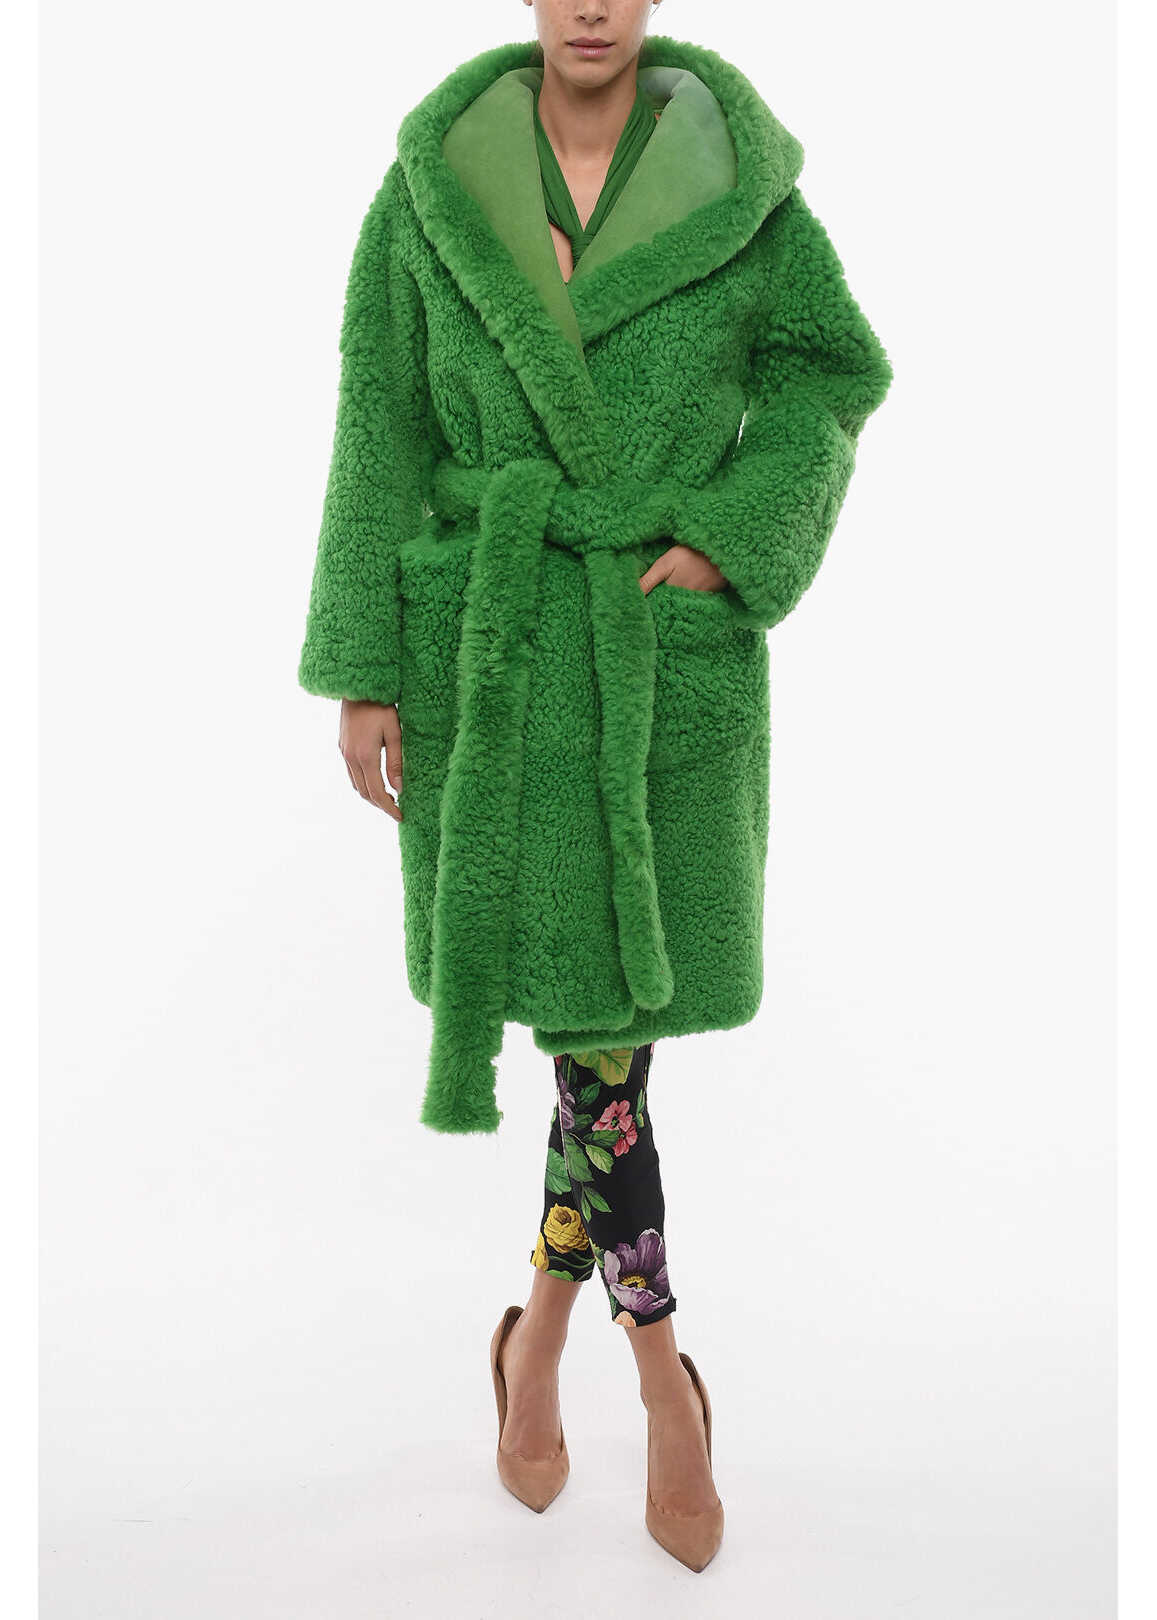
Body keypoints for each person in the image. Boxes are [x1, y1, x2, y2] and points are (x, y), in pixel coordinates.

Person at [297, 0, 892, 1573]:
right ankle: (655, 1377)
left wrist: (733, 539)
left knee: (599, 1048)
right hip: (487, 649)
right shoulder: (430, 188)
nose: (588, 5)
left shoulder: (743, 185)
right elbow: (379, 419)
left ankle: (558, 1346)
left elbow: (829, 373)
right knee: (598, 1049)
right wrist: (362, 661)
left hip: (651, 644)